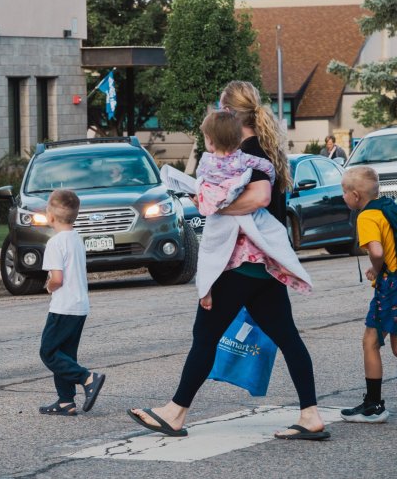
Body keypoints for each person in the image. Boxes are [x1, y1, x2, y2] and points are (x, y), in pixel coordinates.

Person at [129, 80, 329, 440]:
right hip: (262, 265)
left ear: (231, 115)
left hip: (239, 264)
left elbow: (260, 197)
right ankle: (311, 414)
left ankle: (175, 413)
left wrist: (213, 203)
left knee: (204, 336)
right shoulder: (260, 147)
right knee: (287, 337)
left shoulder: (249, 151)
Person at [195, 111, 311, 312]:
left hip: (221, 221)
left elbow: (200, 181)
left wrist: (204, 198)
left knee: (209, 251)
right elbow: (265, 167)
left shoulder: (206, 161)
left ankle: (205, 291)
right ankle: (285, 266)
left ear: (210, 141)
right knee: (275, 234)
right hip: (247, 226)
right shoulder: (244, 159)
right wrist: (273, 176)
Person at [38, 189, 105, 416]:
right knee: (65, 354)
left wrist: (48, 286)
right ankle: (66, 401)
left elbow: (57, 279)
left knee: (48, 352)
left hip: (63, 307)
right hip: (79, 306)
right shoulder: (76, 238)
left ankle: (87, 377)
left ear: (51, 216)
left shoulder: (55, 243)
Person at [339, 166, 397, 423]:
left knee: (370, 341)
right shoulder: (388, 206)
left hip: (391, 285)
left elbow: (376, 250)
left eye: (343, 192)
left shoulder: (367, 216)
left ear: (355, 195)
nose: (342, 197)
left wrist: (375, 269)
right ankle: (373, 403)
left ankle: (374, 406)